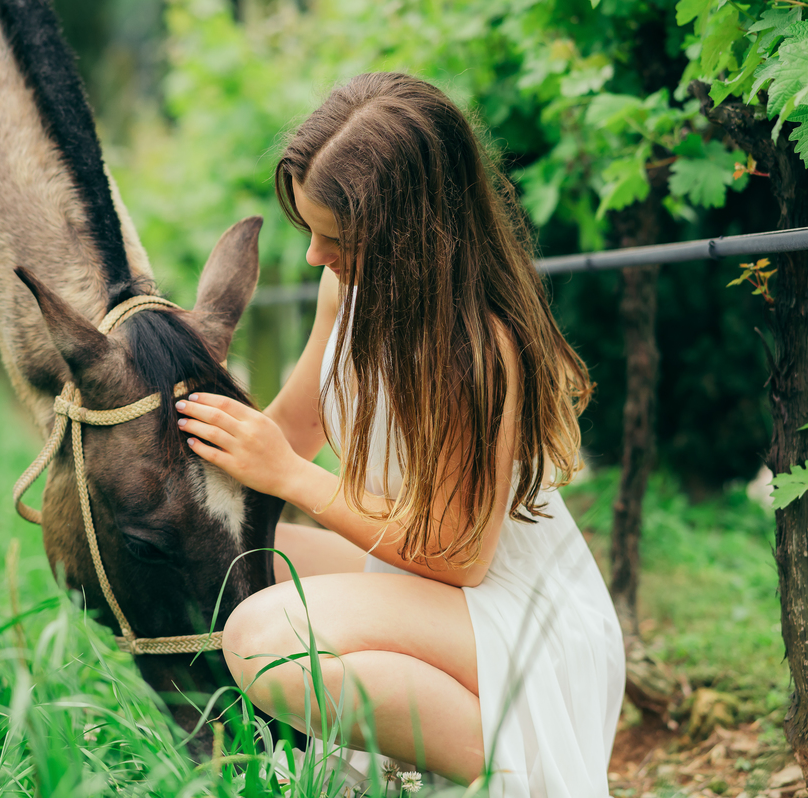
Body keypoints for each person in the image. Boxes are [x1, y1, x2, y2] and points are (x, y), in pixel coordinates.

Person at [175, 72, 625, 794]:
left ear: (406, 236)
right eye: (309, 230)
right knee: (232, 549)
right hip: (417, 580)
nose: (317, 256)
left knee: (263, 641)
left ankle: (506, 752)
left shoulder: (476, 347)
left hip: (507, 617)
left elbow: (458, 559)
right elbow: (287, 433)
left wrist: (292, 480)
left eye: (337, 237)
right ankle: (398, 753)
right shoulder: (344, 290)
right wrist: (175, 422)